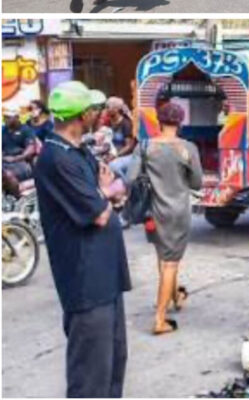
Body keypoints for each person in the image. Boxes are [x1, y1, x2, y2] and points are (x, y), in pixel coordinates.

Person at [34, 81, 130, 398]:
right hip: (85, 282)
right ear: (82, 115)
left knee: (113, 365)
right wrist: (106, 195)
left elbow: (116, 192)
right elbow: (100, 213)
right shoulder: (56, 159)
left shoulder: (79, 152)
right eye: (93, 109)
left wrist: (108, 195)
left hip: (107, 278)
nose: (97, 113)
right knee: (90, 377)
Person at [127, 100, 202, 335]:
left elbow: (130, 178)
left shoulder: (145, 146)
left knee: (163, 257)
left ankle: (175, 298)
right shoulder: (188, 148)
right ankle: (160, 319)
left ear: (159, 121)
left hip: (153, 212)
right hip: (178, 212)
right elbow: (196, 183)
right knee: (171, 263)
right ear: (180, 122)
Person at [3, 105, 37, 182]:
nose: (5, 119)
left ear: (17, 117)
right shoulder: (3, 130)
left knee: (9, 175)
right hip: (4, 161)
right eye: (5, 117)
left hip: (21, 161)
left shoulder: (26, 130)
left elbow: (31, 149)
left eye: (8, 117)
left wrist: (16, 158)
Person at [105, 98, 136, 183]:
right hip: (110, 153)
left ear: (117, 109)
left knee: (113, 166)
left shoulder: (126, 124)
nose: (106, 110)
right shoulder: (107, 122)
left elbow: (129, 146)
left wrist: (116, 155)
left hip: (124, 155)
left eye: (108, 107)